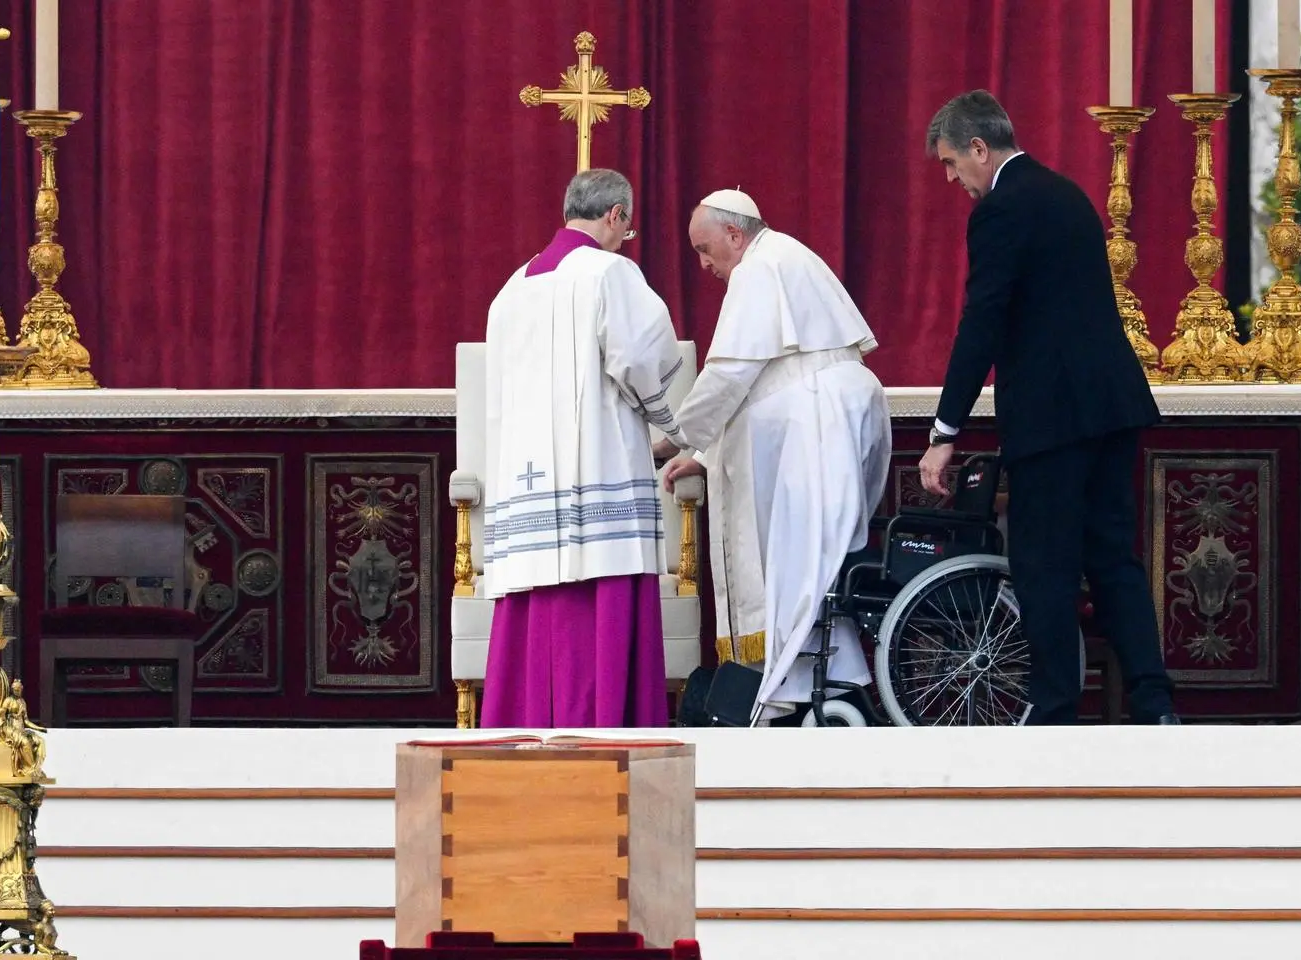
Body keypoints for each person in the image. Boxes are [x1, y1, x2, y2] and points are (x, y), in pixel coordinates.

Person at [919, 90, 1179, 726]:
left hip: (1053, 418)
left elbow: (982, 322)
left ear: (980, 148)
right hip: (1111, 406)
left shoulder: (1002, 209)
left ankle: (1056, 714)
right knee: (1112, 557)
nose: (953, 179)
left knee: (1044, 569)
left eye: (953, 163)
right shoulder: (1068, 193)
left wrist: (944, 429)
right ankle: (1155, 705)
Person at [657, 189, 892, 724]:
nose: (704, 264)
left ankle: (799, 689)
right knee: (820, 568)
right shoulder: (785, 255)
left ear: (735, 235)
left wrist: (676, 438)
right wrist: (706, 455)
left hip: (818, 427)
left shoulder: (759, 269)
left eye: (706, 248)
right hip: (832, 416)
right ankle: (825, 682)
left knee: (801, 566)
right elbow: (760, 383)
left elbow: (731, 374)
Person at [481, 168, 682, 728]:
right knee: (601, 592)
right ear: (616, 215)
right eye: (627, 226)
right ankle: (607, 733)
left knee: (534, 613)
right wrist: (671, 424)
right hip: (599, 462)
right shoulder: (609, 273)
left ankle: (521, 735)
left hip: (526, 480)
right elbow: (642, 359)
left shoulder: (512, 287)